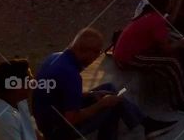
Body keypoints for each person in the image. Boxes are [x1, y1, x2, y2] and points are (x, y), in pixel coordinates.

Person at [33, 28, 176, 139]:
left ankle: (147, 125)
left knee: (108, 89)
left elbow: (59, 94)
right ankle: (147, 125)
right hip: (56, 131)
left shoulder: (54, 57)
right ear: (85, 51)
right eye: (97, 52)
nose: (97, 57)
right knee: (112, 106)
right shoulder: (71, 74)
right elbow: (72, 119)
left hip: (46, 120)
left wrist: (91, 94)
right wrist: (101, 104)